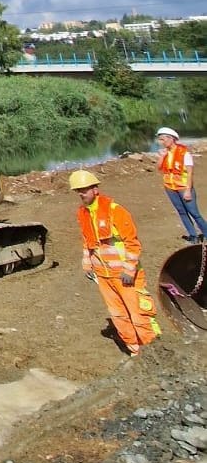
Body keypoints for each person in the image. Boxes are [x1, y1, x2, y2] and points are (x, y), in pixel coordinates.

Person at [69, 170, 161, 356]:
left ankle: (155, 351)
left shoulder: (115, 211)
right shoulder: (83, 213)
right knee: (118, 315)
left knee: (139, 314)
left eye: (84, 189)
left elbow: (132, 243)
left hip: (124, 275)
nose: (81, 194)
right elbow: (87, 241)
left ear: (95, 189)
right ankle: (135, 353)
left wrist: (129, 270)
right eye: (78, 190)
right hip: (104, 276)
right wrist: (87, 264)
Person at [155, 126, 207, 242]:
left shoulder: (184, 153)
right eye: (160, 140)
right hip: (170, 187)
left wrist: (188, 190)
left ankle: (206, 233)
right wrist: (162, 157)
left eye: (163, 139)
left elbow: (189, 173)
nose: (161, 142)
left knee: (194, 213)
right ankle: (193, 236)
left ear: (171, 139)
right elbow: (159, 168)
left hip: (183, 188)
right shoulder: (165, 153)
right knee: (182, 212)